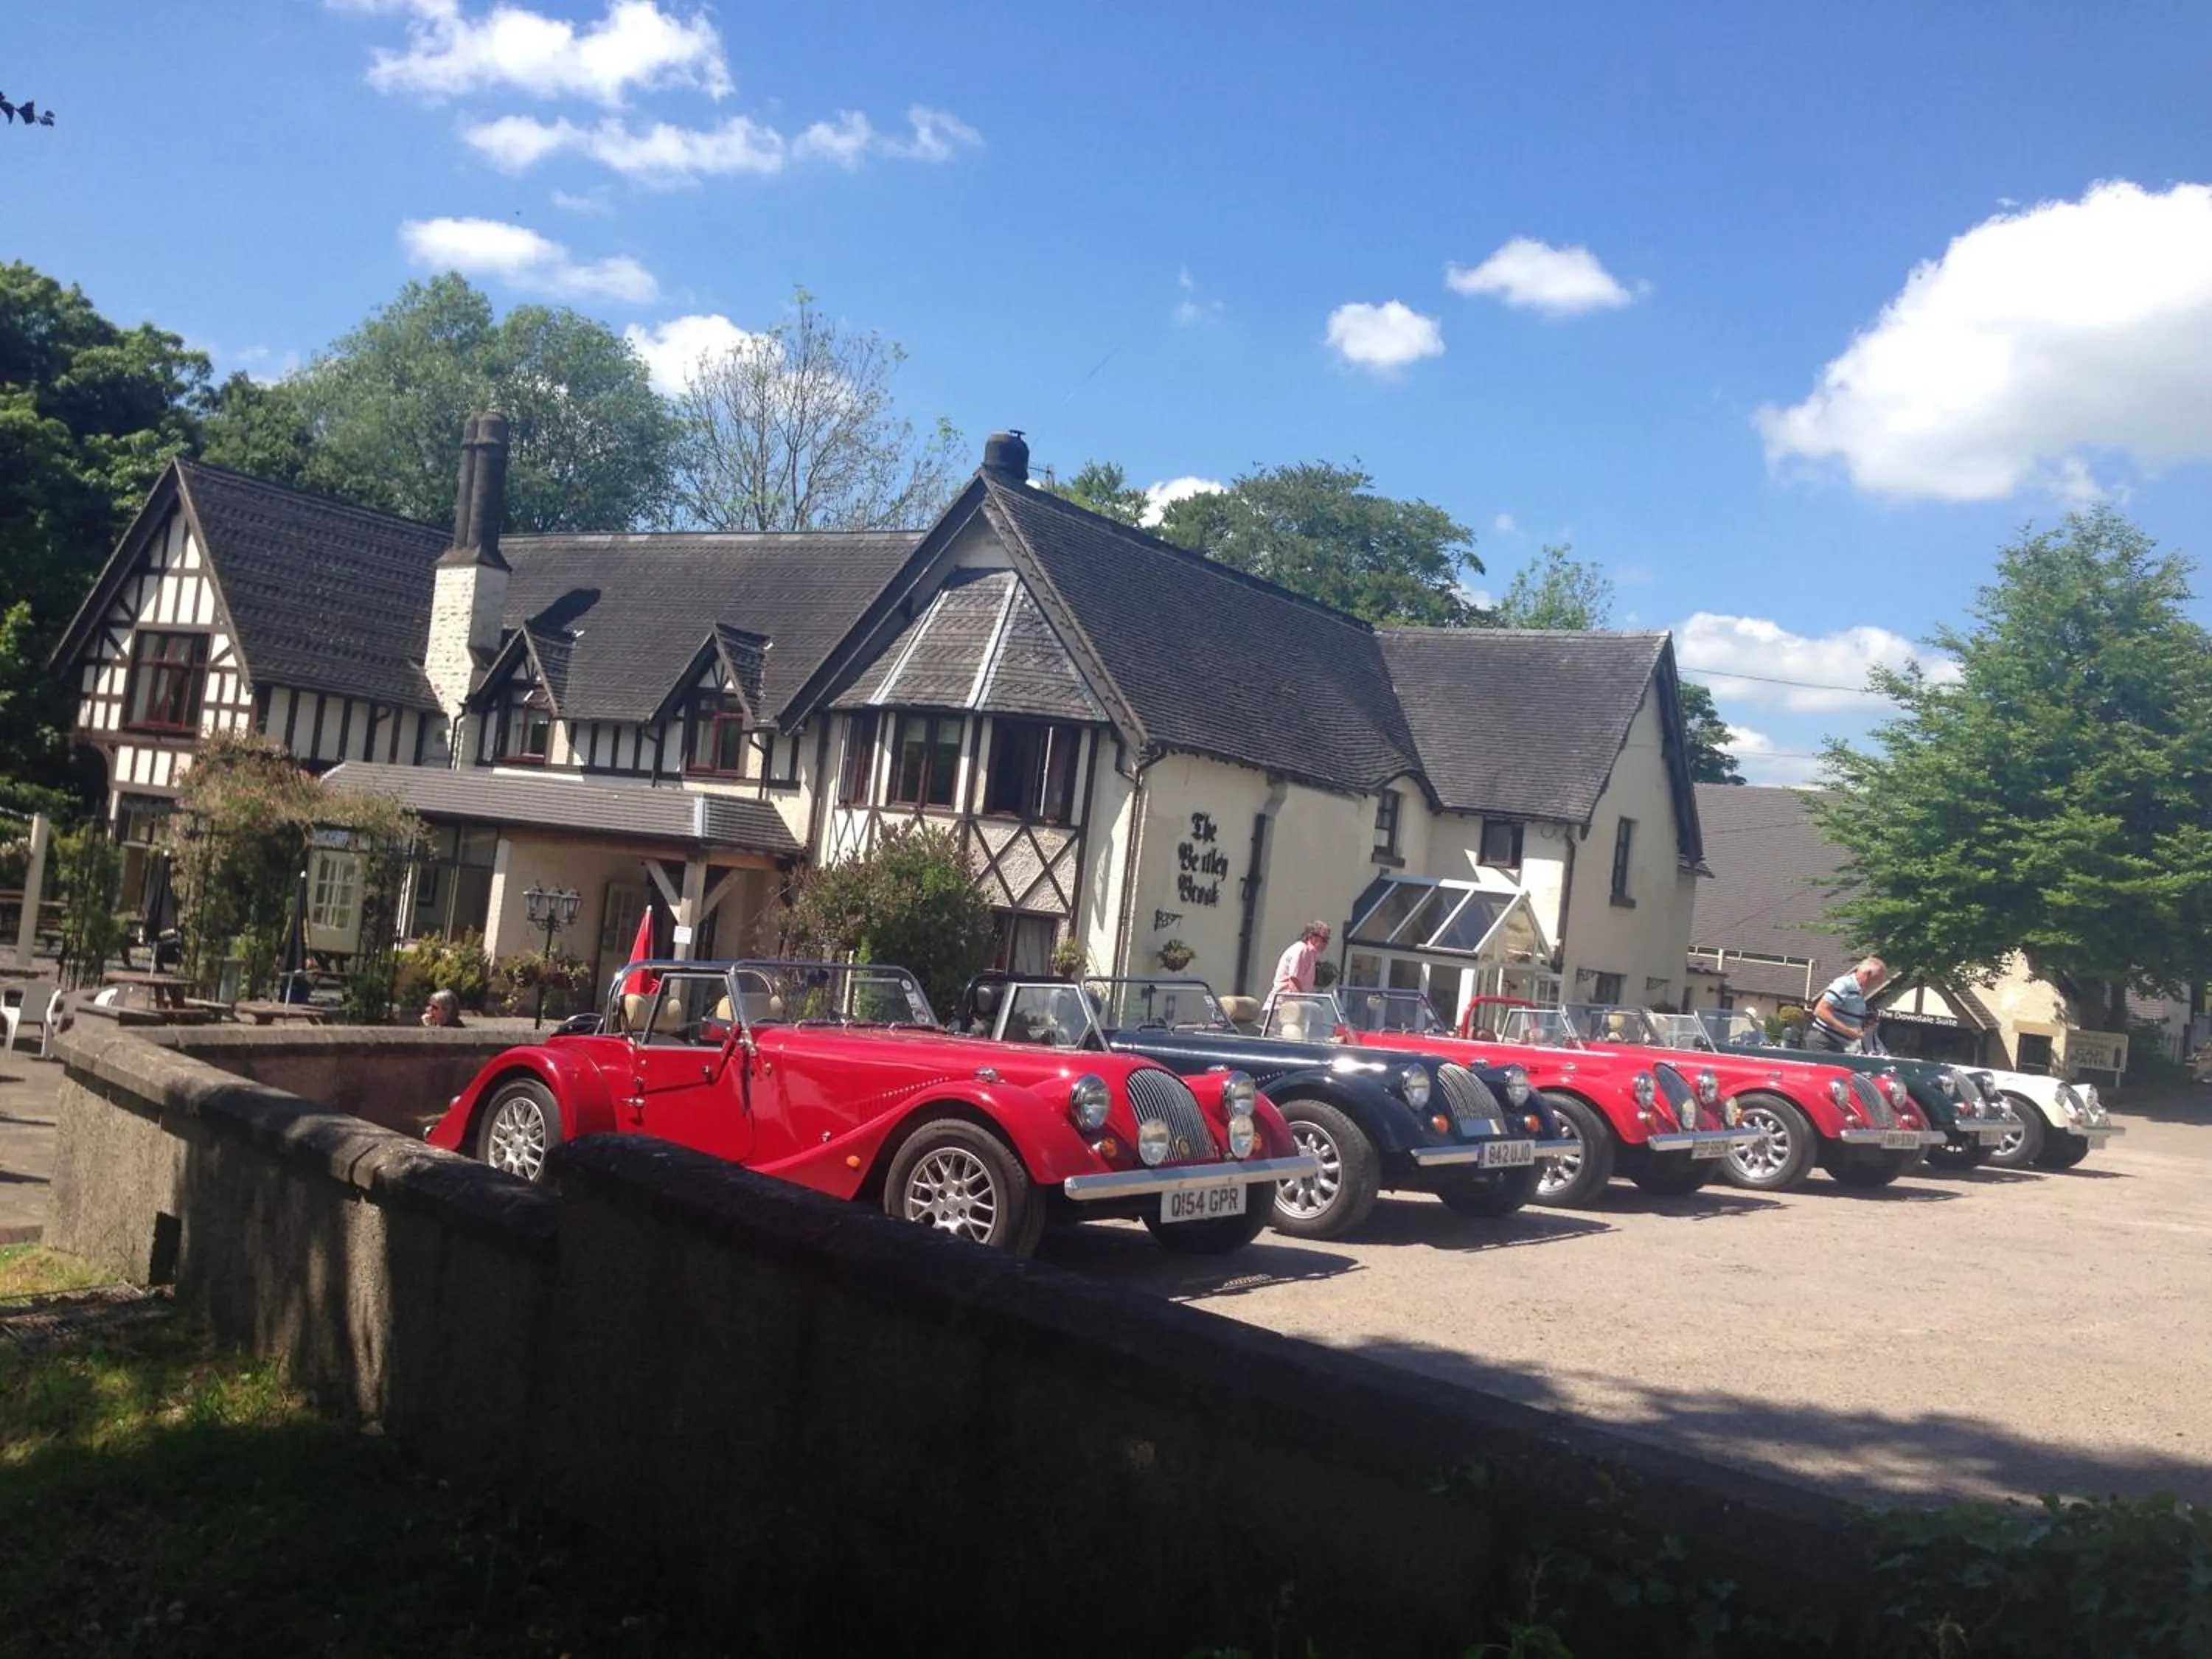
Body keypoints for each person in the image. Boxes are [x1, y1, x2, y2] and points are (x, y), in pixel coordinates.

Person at [1805, 956, 1887, 1052]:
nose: (1879, 984)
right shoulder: (1845, 985)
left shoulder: (1859, 993)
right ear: (1867, 975)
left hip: (1837, 1044)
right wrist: (1848, 1031)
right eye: (1878, 980)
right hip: (1824, 1040)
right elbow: (1821, 1011)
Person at [1270, 920, 1331, 1001]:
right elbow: (1294, 982)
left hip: (1289, 1006)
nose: (1326, 944)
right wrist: (1303, 1004)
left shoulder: (1310, 955)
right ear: (1312, 937)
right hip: (1283, 1007)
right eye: (1324, 939)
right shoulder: (1302, 950)